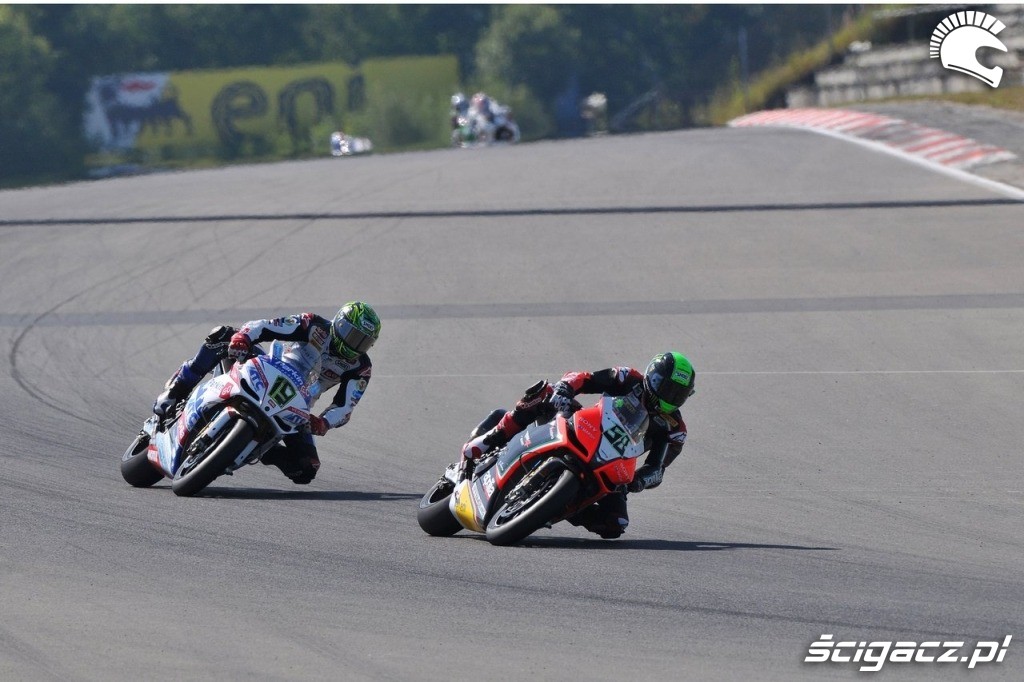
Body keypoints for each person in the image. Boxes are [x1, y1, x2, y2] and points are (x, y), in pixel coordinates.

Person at [460, 352, 694, 539]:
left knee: (615, 524)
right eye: (668, 389)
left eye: (679, 394)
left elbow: (657, 468)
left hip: (613, 462)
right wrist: (565, 388)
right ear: (653, 378)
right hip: (584, 428)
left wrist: (639, 480)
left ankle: (548, 508)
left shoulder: (674, 428)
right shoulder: (629, 378)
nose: (671, 397)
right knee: (546, 392)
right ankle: (492, 438)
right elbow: (584, 378)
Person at [152, 302, 381, 485]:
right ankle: (176, 391)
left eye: (364, 342)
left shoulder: (360, 368)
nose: (356, 345)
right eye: (352, 335)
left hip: (296, 404)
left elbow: (345, 407)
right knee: (222, 335)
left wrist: (324, 422)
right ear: (339, 324)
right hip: (267, 368)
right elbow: (265, 326)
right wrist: (244, 337)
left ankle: (258, 449)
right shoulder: (313, 325)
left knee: (306, 468)